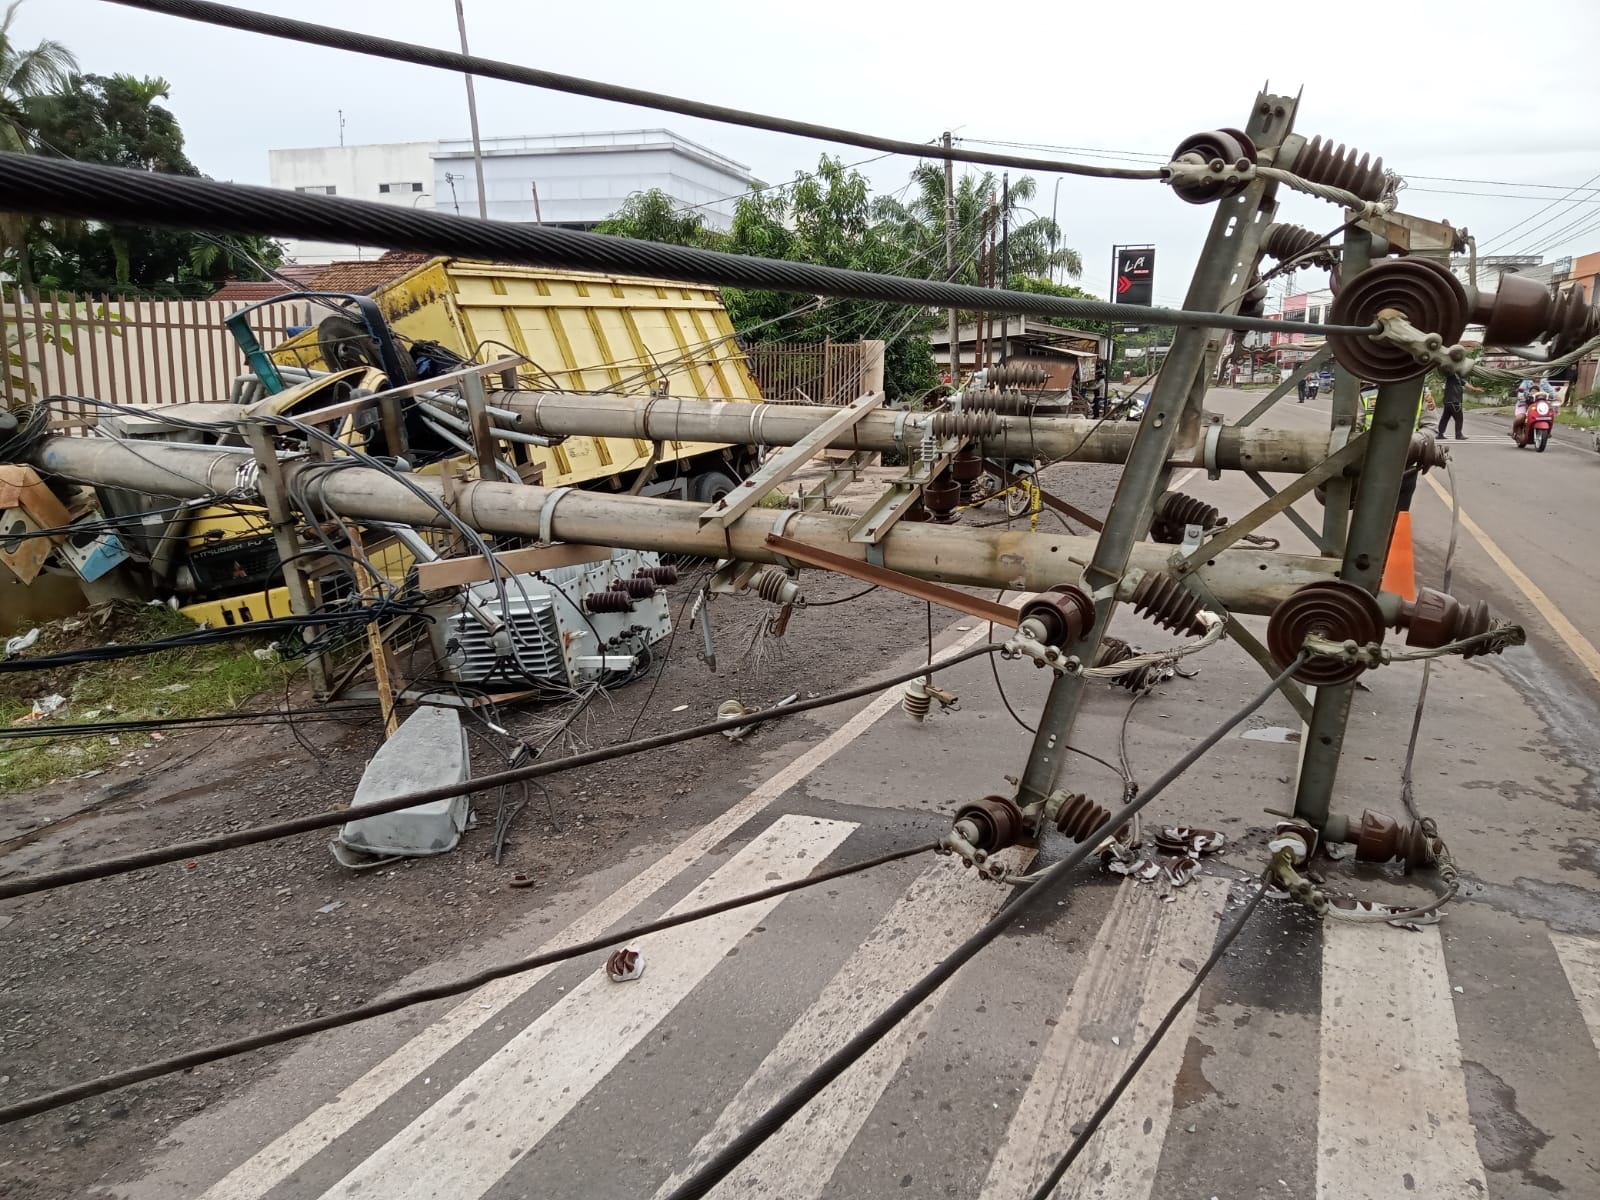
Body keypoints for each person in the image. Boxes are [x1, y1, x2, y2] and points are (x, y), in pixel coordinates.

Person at [1436, 372, 1468, 440]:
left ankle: (1440, 434)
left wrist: (1475, 389)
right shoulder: (1453, 376)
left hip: (1448, 402)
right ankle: (1458, 435)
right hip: (1455, 402)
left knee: (1444, 418)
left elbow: (1466, 384)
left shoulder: (1458, 378)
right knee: (1459, 419)